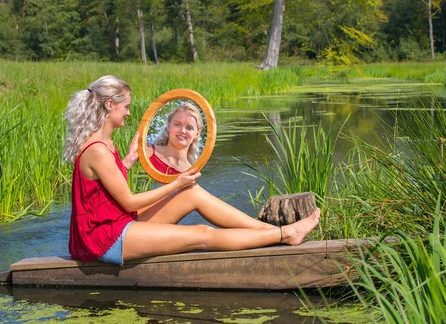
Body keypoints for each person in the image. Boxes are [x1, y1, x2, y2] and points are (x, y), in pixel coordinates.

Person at [63, 75, 320, 265]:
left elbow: (104, 192)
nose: (129, 113)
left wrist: (128, 162)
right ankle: (286, 234)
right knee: (202, 235)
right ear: (109, 105)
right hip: (104, 238)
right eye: (126, 106)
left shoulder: (105, 142)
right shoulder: (96, 148)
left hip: (116, 221)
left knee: (192, 194)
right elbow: (128, 199)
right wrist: (175, 185)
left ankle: (266, 231)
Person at [145, 102, 203, 175]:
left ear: (197, 134)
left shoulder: (190, 172)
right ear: (168, 127)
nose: (182, 131)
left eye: (189, 127)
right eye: (177, 124)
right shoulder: (146, 151)